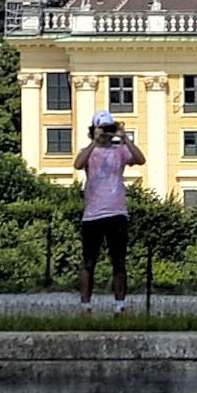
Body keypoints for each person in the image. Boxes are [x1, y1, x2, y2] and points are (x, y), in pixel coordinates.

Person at [71, 112, 142, 314]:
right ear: (93, 130)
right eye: (103, 129)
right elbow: (77, 164)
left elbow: (140, 159)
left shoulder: (120, 151)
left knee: (119, 262)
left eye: (109, 129)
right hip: (92, 214)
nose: (106, 133)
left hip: (117, 211)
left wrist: (124, 137)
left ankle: (120, 306)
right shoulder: (89, 151)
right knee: (88, 262)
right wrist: (95, 141)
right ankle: (85, 306)